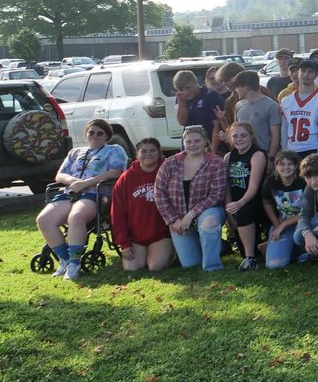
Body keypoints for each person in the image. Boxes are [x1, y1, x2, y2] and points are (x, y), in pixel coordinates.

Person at [36, 117, 129, 280]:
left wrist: (85, 183)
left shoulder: (114, 150)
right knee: (43, 220)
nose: (95, 136)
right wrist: (73, 182)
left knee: (76, 216)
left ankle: (74, 263)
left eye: (100, 133)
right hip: (70, 193)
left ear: (107, 136)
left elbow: (115, 172)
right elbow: (60, 175)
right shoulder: (75, 152)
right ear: (86, 134)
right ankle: (65, 260)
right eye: (91, 132)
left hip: (96, 194)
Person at [156, 125, 228, 272]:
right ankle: (219, 245)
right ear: (183, 143)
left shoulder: (215, 162)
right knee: (190, 264)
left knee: (209, 224)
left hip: (207, 212)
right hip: (179, 219)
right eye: (188, 141)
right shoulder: (170, 163)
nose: (193, 145)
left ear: (205, 142)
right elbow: (159, 193)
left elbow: (217, 194)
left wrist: (191, 214)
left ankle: (212, 267)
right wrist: (173, 220)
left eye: (197, 141)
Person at [109, 137, 174, 272]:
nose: (148, 154)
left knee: (155, 267)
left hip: (161, 235)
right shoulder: (126, 178)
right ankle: (146, 254)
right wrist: (125, 244)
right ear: (137, 154)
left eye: (152, 150)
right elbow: (117, 214)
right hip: (136, 237)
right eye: (143, 151)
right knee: (132, 268)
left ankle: (172, 252)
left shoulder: (168, 171)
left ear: (159, 153)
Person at [224, 120, 268, 271]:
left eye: (243, 135)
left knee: (244, 210)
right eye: (235, 136)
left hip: (257, 202)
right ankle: (253, 251)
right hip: (237, 204)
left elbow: (254, 187)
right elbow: (227, 187)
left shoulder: (257, 154)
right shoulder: (228, 157)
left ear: (251, 136)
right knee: (244, 249)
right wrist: (229, 210)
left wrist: (239, 204)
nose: (239, 139)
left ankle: (251, 259)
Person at [279, 58, 318, 160]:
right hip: (291, 151)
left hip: (312, 150)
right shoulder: (286, 101)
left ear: (317, 74)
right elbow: (284, 131)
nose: (306, 74)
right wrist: (285, 153)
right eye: (303, 71)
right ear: (298, 72)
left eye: (310, 71)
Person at [260, 151, 304, 268]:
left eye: (290, 164)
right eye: (282, 164)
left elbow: (309, 211)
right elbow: (267, 202)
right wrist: (277, 224)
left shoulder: (303, 181)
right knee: (275, 264)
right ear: (276, 166)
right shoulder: (270, 181)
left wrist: (283, 224)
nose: (286, 167)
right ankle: (274, 247)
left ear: (296, 166)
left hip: (305, 221)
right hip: (283, 223)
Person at [233, 70, 280, 164]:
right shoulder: (239, 105)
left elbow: (276, 136)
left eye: (237, 87)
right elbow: (235, 130)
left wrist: (270, 158)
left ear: (246, 88)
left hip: (264, 154)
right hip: (244, 155)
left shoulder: (271, 106)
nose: (235, 90)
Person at [173, 69, 225, 147]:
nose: (186, 92)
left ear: (195, 82)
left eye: (188, 88)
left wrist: (213, 151)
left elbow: (216, 124)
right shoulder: (181, 98)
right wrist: (182, 103)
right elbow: (182, 122)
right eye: (181, 89)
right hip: (190, 144)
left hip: (207, 142)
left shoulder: (210, 95)